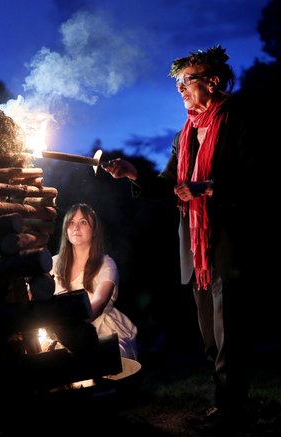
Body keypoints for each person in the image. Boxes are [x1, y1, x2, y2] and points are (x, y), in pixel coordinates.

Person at [103, 45, 256, 429]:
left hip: (227, 242)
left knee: (230, 334)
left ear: (212, 80)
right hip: (195, 247)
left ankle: (231, 410)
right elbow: (169, 185)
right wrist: (133, 173)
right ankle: (224, 405)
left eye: (186, 81)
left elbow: (257, 179)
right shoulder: (183, 136)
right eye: (177, 84)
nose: (181, 89)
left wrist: (207, 188)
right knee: (210, 336)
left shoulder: (240, 121)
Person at [50, 203, 138, 361]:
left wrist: (69, 328)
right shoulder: (54, 263)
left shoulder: (105, 264)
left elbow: (98, 304)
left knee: (104, 362)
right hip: (59, 333)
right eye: (71, 222)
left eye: (83, 222)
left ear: (94, 231)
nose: (76, 227)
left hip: (100, 329)